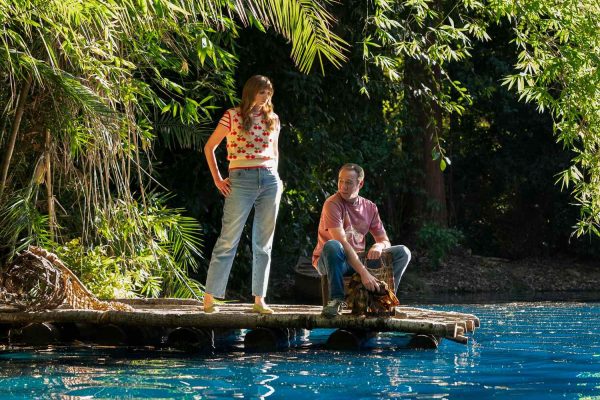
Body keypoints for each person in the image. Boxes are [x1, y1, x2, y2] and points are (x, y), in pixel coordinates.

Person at [203, 75, 283, 314]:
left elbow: (275, 152)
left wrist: (277, 178)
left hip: (269, 179)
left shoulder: (273, 118)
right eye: (262, 92)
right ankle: (209, 298)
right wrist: (217, 179)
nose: (266, 97)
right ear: (251, 92)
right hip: (241, 179)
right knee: (228, 239)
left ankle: (259, 300)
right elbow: (209, 147)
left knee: (264, 243)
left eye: (268, 92)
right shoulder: (232, 115)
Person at [312, 163, 411, 317]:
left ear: (360, 184)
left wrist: (379, 246)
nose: (343, 186)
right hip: (332, 260)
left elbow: (384, 240)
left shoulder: (370, 207)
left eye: (349, 182)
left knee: (403, 252)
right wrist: (364, 273)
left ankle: (385, 300)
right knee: (333, 245)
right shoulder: (332, 204)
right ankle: (336, 300)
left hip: (357, 259)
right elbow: (342, 243)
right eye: (340, 181)